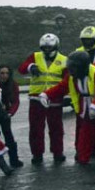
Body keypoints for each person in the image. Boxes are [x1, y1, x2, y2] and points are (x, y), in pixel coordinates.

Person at [39, 51, 95, 164]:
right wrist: (46, 94)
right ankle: (83, 157)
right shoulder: (72, 76)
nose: (71, 70)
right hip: (85, 108)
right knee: (84, 135)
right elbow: (61, 87)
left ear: (81, 67)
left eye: (74, 68)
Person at [18, 34, 68, 164]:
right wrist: (31, 67)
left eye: (49, 47)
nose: (46, 50)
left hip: (54, 99)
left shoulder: (64, 60)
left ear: (56, 46)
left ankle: (58, 152)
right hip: (36, 98)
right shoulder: (35, 56)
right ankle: (37, 154)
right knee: (35, 129)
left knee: (56, 128)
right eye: (44, 47)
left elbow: (67, 80)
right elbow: (22, 68)